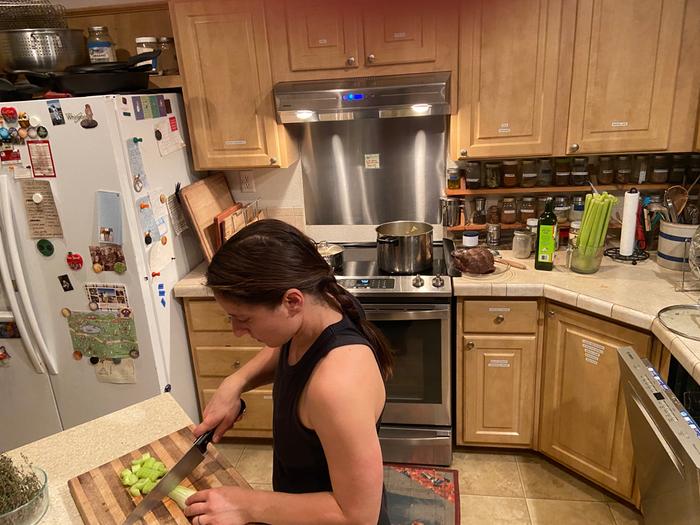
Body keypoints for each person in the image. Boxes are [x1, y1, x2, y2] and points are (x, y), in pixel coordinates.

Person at [186, 219, 392, 525]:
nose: (237, 331)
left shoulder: (336, 386)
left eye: (243, 318)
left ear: (292, 301)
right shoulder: (321, 305)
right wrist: (236, 382)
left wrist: (248, 504)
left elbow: (358, 515)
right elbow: (283, 347)